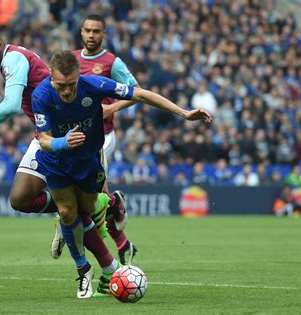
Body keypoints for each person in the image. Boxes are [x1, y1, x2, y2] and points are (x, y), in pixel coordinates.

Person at [32, 50, 212, 298]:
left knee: (86, 211)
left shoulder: (93, 85)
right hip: (57, 160)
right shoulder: (41, 95)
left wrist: (183, 113)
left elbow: (139, 93)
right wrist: (63, 143)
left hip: (87, 160)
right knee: (66, 211)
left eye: (71, 84)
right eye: (61, 86)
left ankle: (107, 202)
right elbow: (43, 139)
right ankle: (83, 269)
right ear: (51, 77)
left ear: (78, 77)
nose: (66, 91)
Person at [0, 24, 125, 296]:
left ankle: (106, 266)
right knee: (20, 199)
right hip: (48, 137)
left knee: (78, 213)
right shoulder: (13, 60)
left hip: (78, 137)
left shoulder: (13, 58)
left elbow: (11, 104)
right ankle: (79, 218)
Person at [50, 14, 139, 265]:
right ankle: (121, 239)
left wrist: (112, 109)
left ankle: (68, 221)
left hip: (102, 136)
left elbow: (136, 91)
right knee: (96, 199)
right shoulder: (71, 61)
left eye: (96, 31)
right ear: (81, 32)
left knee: (85, 198)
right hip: (72, 137)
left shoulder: (113, 62)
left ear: (104, 34)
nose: (91, 35)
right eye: (87, 30)